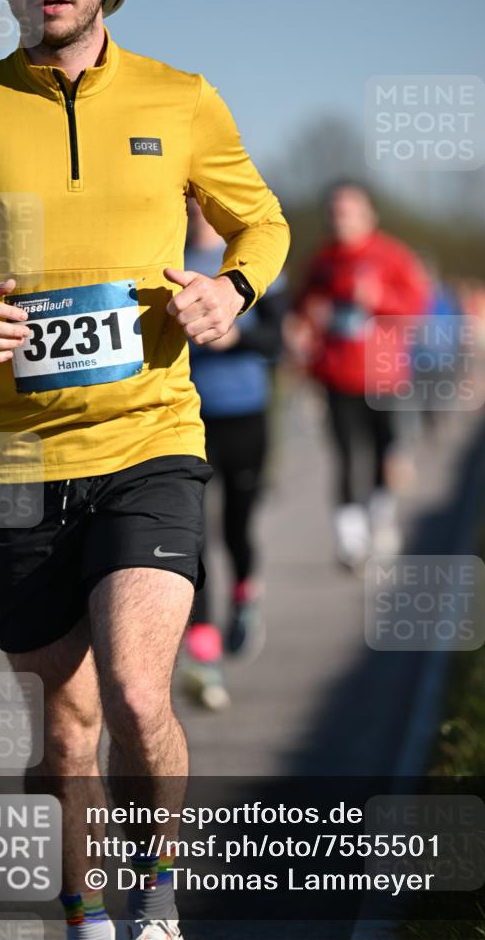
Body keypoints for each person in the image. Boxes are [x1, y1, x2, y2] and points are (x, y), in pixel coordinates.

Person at [0, 0, 290, 939]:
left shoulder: (180, 97)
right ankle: (83, 913)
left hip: (150, 439)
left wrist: (227, 289)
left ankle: (153, 897)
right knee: (65, 735)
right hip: (20, 459)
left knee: (132, 688)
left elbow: (263, 224)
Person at [290, 179, 428, 567]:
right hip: (336, 376)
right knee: (346, 455)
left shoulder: (393, 256)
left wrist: (379, 298)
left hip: (384, 376)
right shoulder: (321, 262)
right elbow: (302, 311)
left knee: (385, 454)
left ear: (369, 214)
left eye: (348, 211)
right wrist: (309, 321)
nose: (340, 219)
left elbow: (417, 307)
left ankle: (380, 519)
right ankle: (350, 540)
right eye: (334, 212)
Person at [182, 198, 287, 709]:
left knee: (237, 528)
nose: (197, 209)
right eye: (189, 201)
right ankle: (204, 657)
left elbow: (279, 339)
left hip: (245, 411)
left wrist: (236, 334)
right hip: (185, 420)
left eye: (205, 200)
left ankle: (246, 595)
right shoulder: (164, 258)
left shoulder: (248, 263)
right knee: (191, 536)